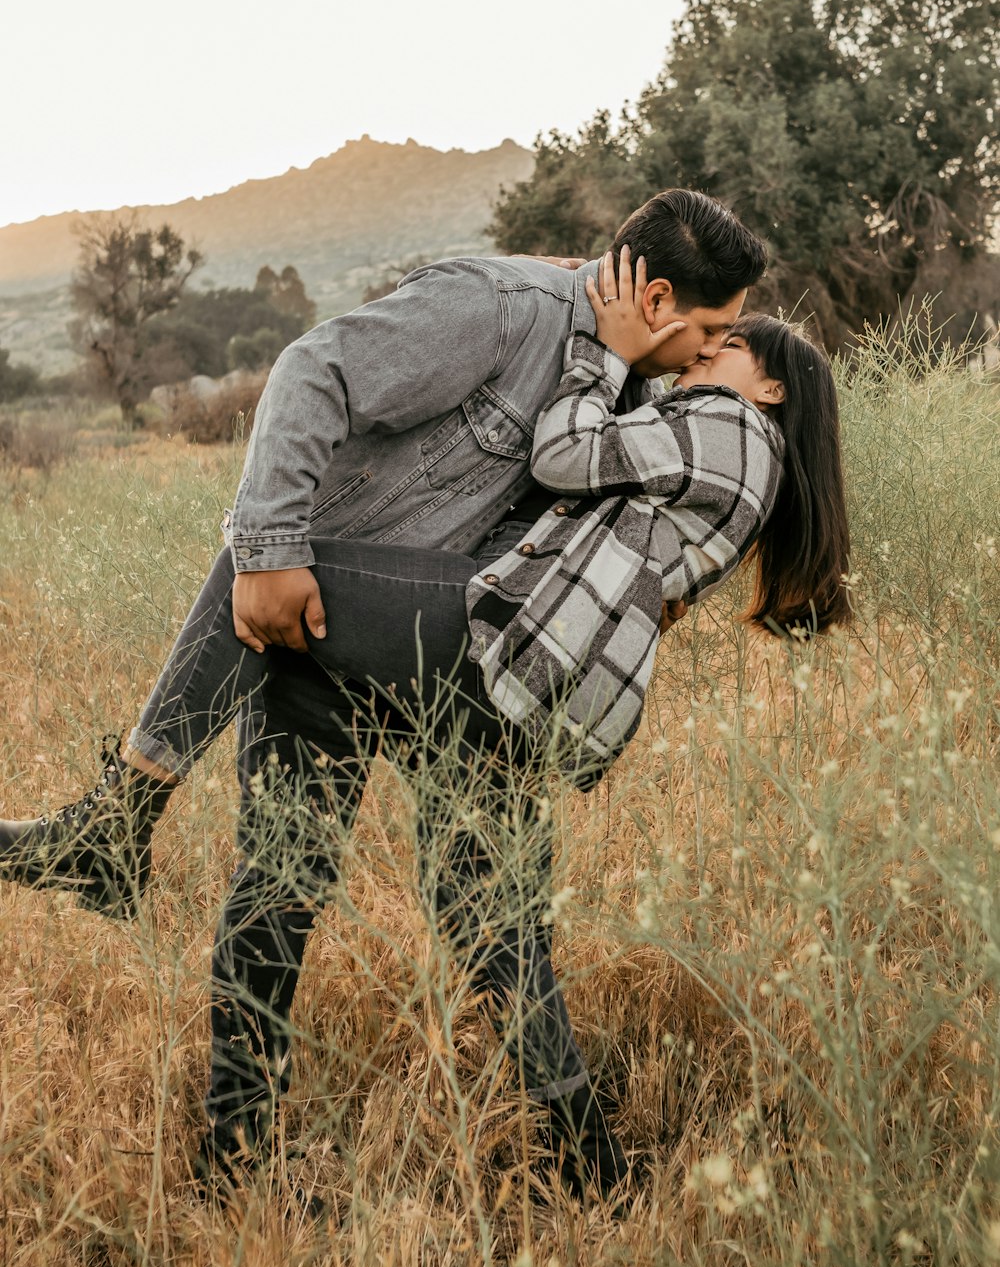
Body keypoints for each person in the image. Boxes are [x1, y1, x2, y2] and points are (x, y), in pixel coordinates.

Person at [1, 192, 792, 1200]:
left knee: (494, 915)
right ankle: (234, 1161)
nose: (707, 358)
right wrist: (273, 554)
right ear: (663, 297)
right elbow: (309, 371)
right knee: (280, 879)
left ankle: (585, 1162)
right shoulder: (501, 307)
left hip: (467, 658)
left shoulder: (639, 385)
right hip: (322, 628)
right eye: (713, 333)